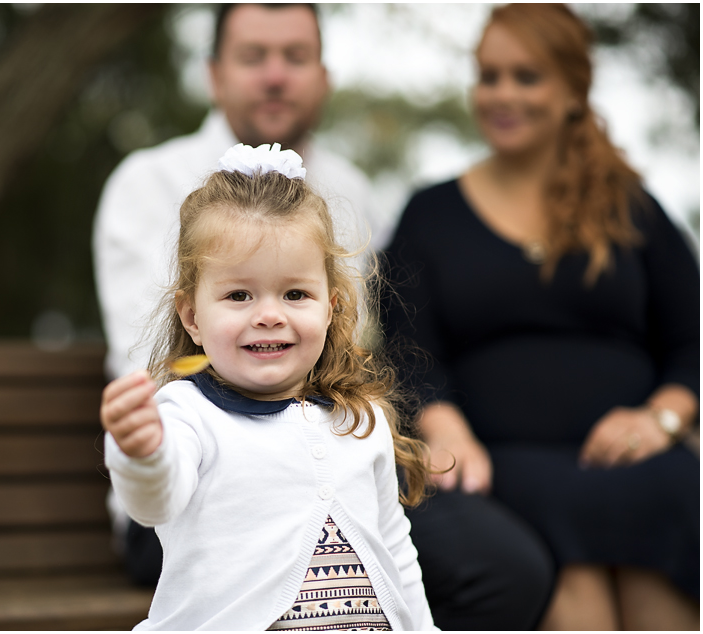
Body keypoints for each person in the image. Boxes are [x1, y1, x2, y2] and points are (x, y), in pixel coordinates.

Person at [94, 4, 554, 630]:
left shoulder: (351, 189)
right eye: (254, 57)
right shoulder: (148, 183)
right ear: (214, 73)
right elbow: (155, 414)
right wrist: (140, 447)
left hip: (326, 434)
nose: (275, 75)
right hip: (202, 482)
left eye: (295, 56)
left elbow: (396, 544)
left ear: (323, 76)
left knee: (508, 566)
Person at [379, 4, 700, 631]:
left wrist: (661, 419)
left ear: (574, 91)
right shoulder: (429, 215)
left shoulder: (633, 210)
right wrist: (446, 431)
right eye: (488, 76)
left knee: (664, 517)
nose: (502, 94)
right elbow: (409, 352)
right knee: (572, 582)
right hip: (502, 465)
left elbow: (692, 341)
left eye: (526, 77)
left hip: (637, 462)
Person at [101, 143, 435, 630]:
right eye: (239, 295)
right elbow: (156, 501)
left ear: (331, 308)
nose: (270, 315)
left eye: (295, 293)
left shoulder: (360, 417)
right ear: (192, 317)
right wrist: (142, 454)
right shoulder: (188, 414)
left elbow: (395, 548)